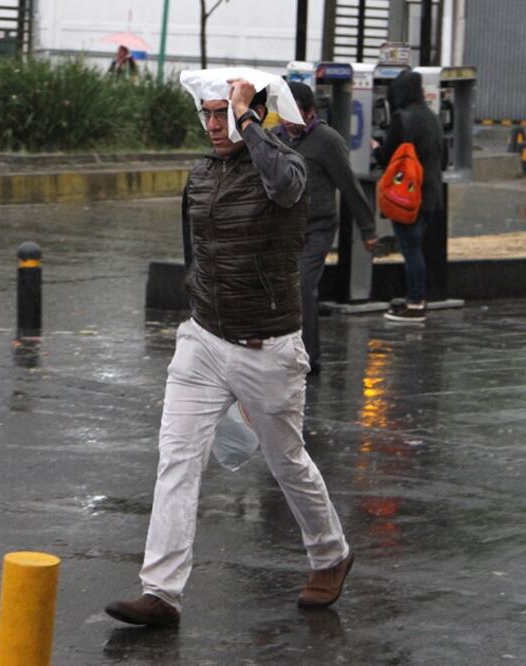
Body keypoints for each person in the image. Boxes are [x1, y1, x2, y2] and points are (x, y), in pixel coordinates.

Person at [105, 71, 354, 627]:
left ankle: (331, 552)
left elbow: (288, 186)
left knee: (286, 459)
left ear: (256, 116)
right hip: (203, 342)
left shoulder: (287, 166)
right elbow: (194, 254)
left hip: (267, 347)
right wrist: (196, 312)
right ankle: (161, 590)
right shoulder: (200, 176)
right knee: (176, 456)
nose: (215, 126)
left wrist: (250, 117)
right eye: (210, 114)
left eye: (226, 114)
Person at [277, 81, 378, 376]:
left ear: (309, 113)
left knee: (304, 285)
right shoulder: (275, 138)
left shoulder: (327, 140)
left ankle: (310, 356)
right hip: (285, 227)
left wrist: (368, 229)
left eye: (293, 114)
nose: (287, 121)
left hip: (318, 225)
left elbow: (349, 185)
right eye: (283, 114)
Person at [373, 70, 446, 323]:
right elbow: (443, 157)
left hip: (409, 196)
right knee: (416, 246)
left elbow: (388, 155)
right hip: (432, 194)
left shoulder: (401, 118)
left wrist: (374, 147)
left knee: (411, 248)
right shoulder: (433, 117)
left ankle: (415, 303)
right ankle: (416, 297)